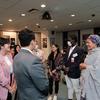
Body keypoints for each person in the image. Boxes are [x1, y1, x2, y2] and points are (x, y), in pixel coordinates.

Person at [13, 29, 49, 100]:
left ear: (20, 42)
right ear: (32, 42)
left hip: (21, 96)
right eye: (35, 41)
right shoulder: (34, 60)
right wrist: (42, 65)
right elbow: (44, 86)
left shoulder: (16, 57)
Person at [63, 35, 85, 100]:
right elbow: (65, 58)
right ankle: (70, 98)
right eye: (68, 40)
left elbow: (79, 62)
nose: (68, 42)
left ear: (74, 40)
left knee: (76, 89)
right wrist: (64, 65)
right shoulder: (68, 48)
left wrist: (69, 68)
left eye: (70, 40)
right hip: (66, 72)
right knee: (69, 87)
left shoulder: (80, 49)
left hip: (75, 73)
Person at [80, 35, 100, 100]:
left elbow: (97, 70)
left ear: (95, 43)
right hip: (85, 84)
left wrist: (85, 66)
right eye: (86, 42)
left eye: (89, 42)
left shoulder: (98, 54)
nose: (87, 44)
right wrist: (82, 67)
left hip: (93, 87)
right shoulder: (90, 53)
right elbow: (88, 65)